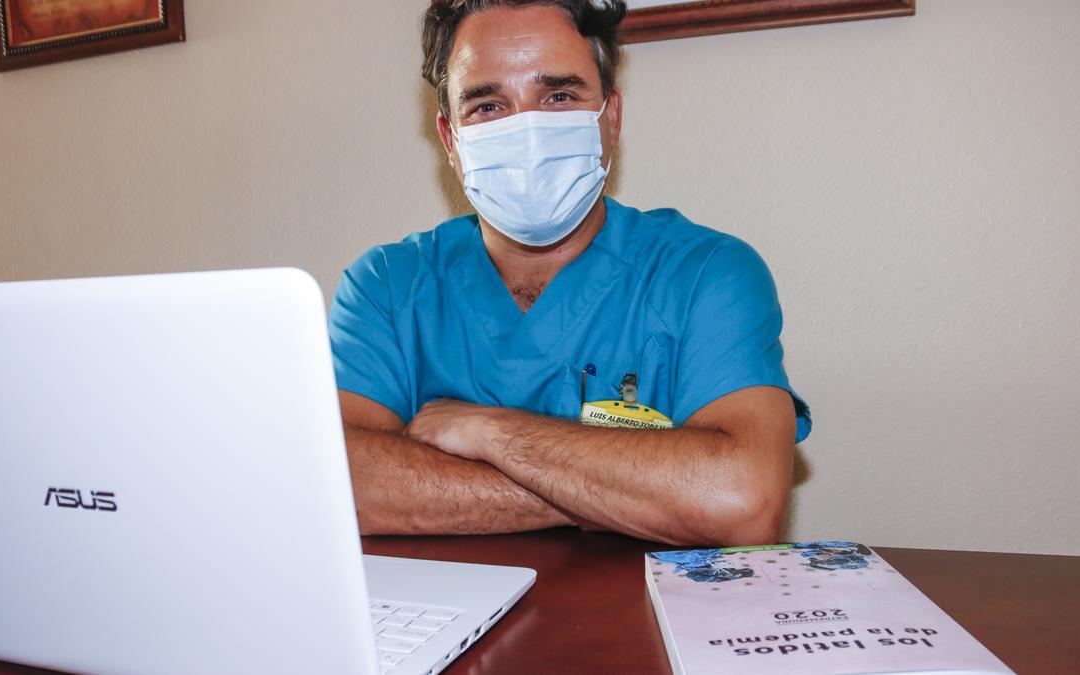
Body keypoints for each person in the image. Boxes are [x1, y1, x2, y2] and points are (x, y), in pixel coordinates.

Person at [328, 0, 811, 546]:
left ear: (609, 120)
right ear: (450, 141)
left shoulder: (706, 274)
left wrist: (491, 431)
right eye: (488, 106)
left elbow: (741, 502)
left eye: (558, 96)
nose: (527, 133)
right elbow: (333, 484)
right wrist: (622, 488)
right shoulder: (386, 286)